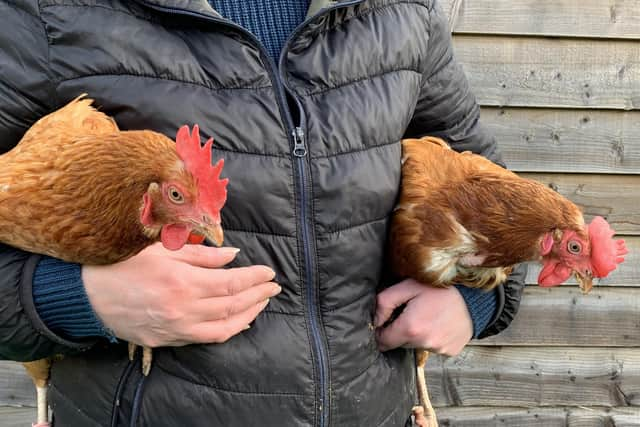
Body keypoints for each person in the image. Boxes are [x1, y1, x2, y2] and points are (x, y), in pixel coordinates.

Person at [0, 0, 526, 425]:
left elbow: (504, 197)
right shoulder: (49, 15)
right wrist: (76, 298)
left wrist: (470, 301)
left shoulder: (403, 11)